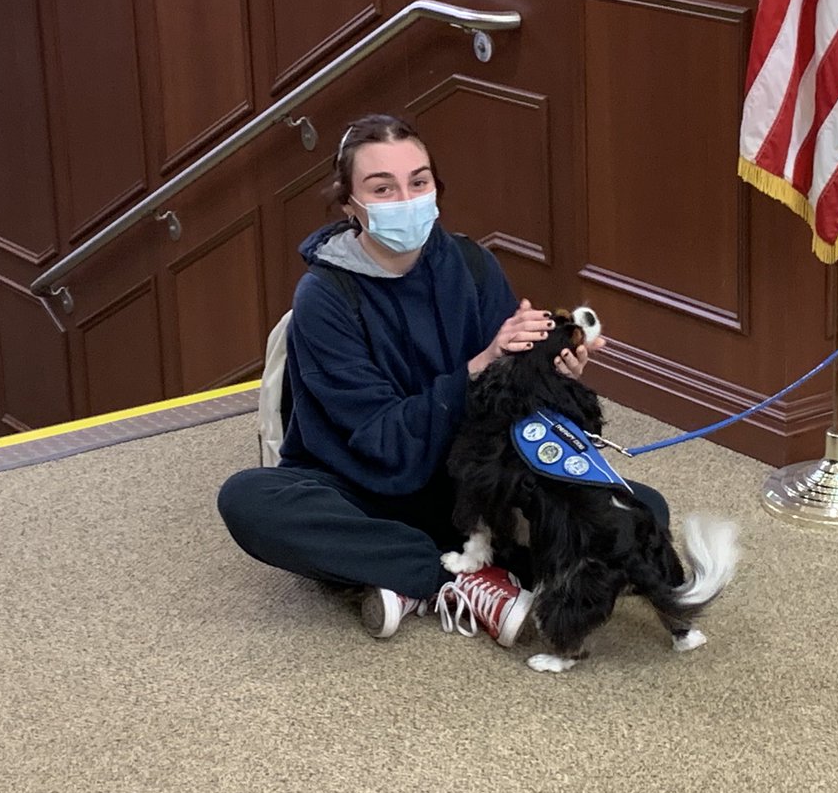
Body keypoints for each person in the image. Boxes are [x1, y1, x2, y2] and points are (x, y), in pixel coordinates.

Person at [217, 113, 669, 645]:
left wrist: (555, 379)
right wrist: (479, 365)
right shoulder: (323, 298)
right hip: (363, 486)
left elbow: (513, 415)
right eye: (381, 188)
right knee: (249, 501)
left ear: (436, 187)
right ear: (349, 204)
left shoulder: (474, 265)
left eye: (419, 181)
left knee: (645, 511)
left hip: (471, 486)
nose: (405, 198)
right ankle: (451, 579)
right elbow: (378, 438)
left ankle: (400, 577)